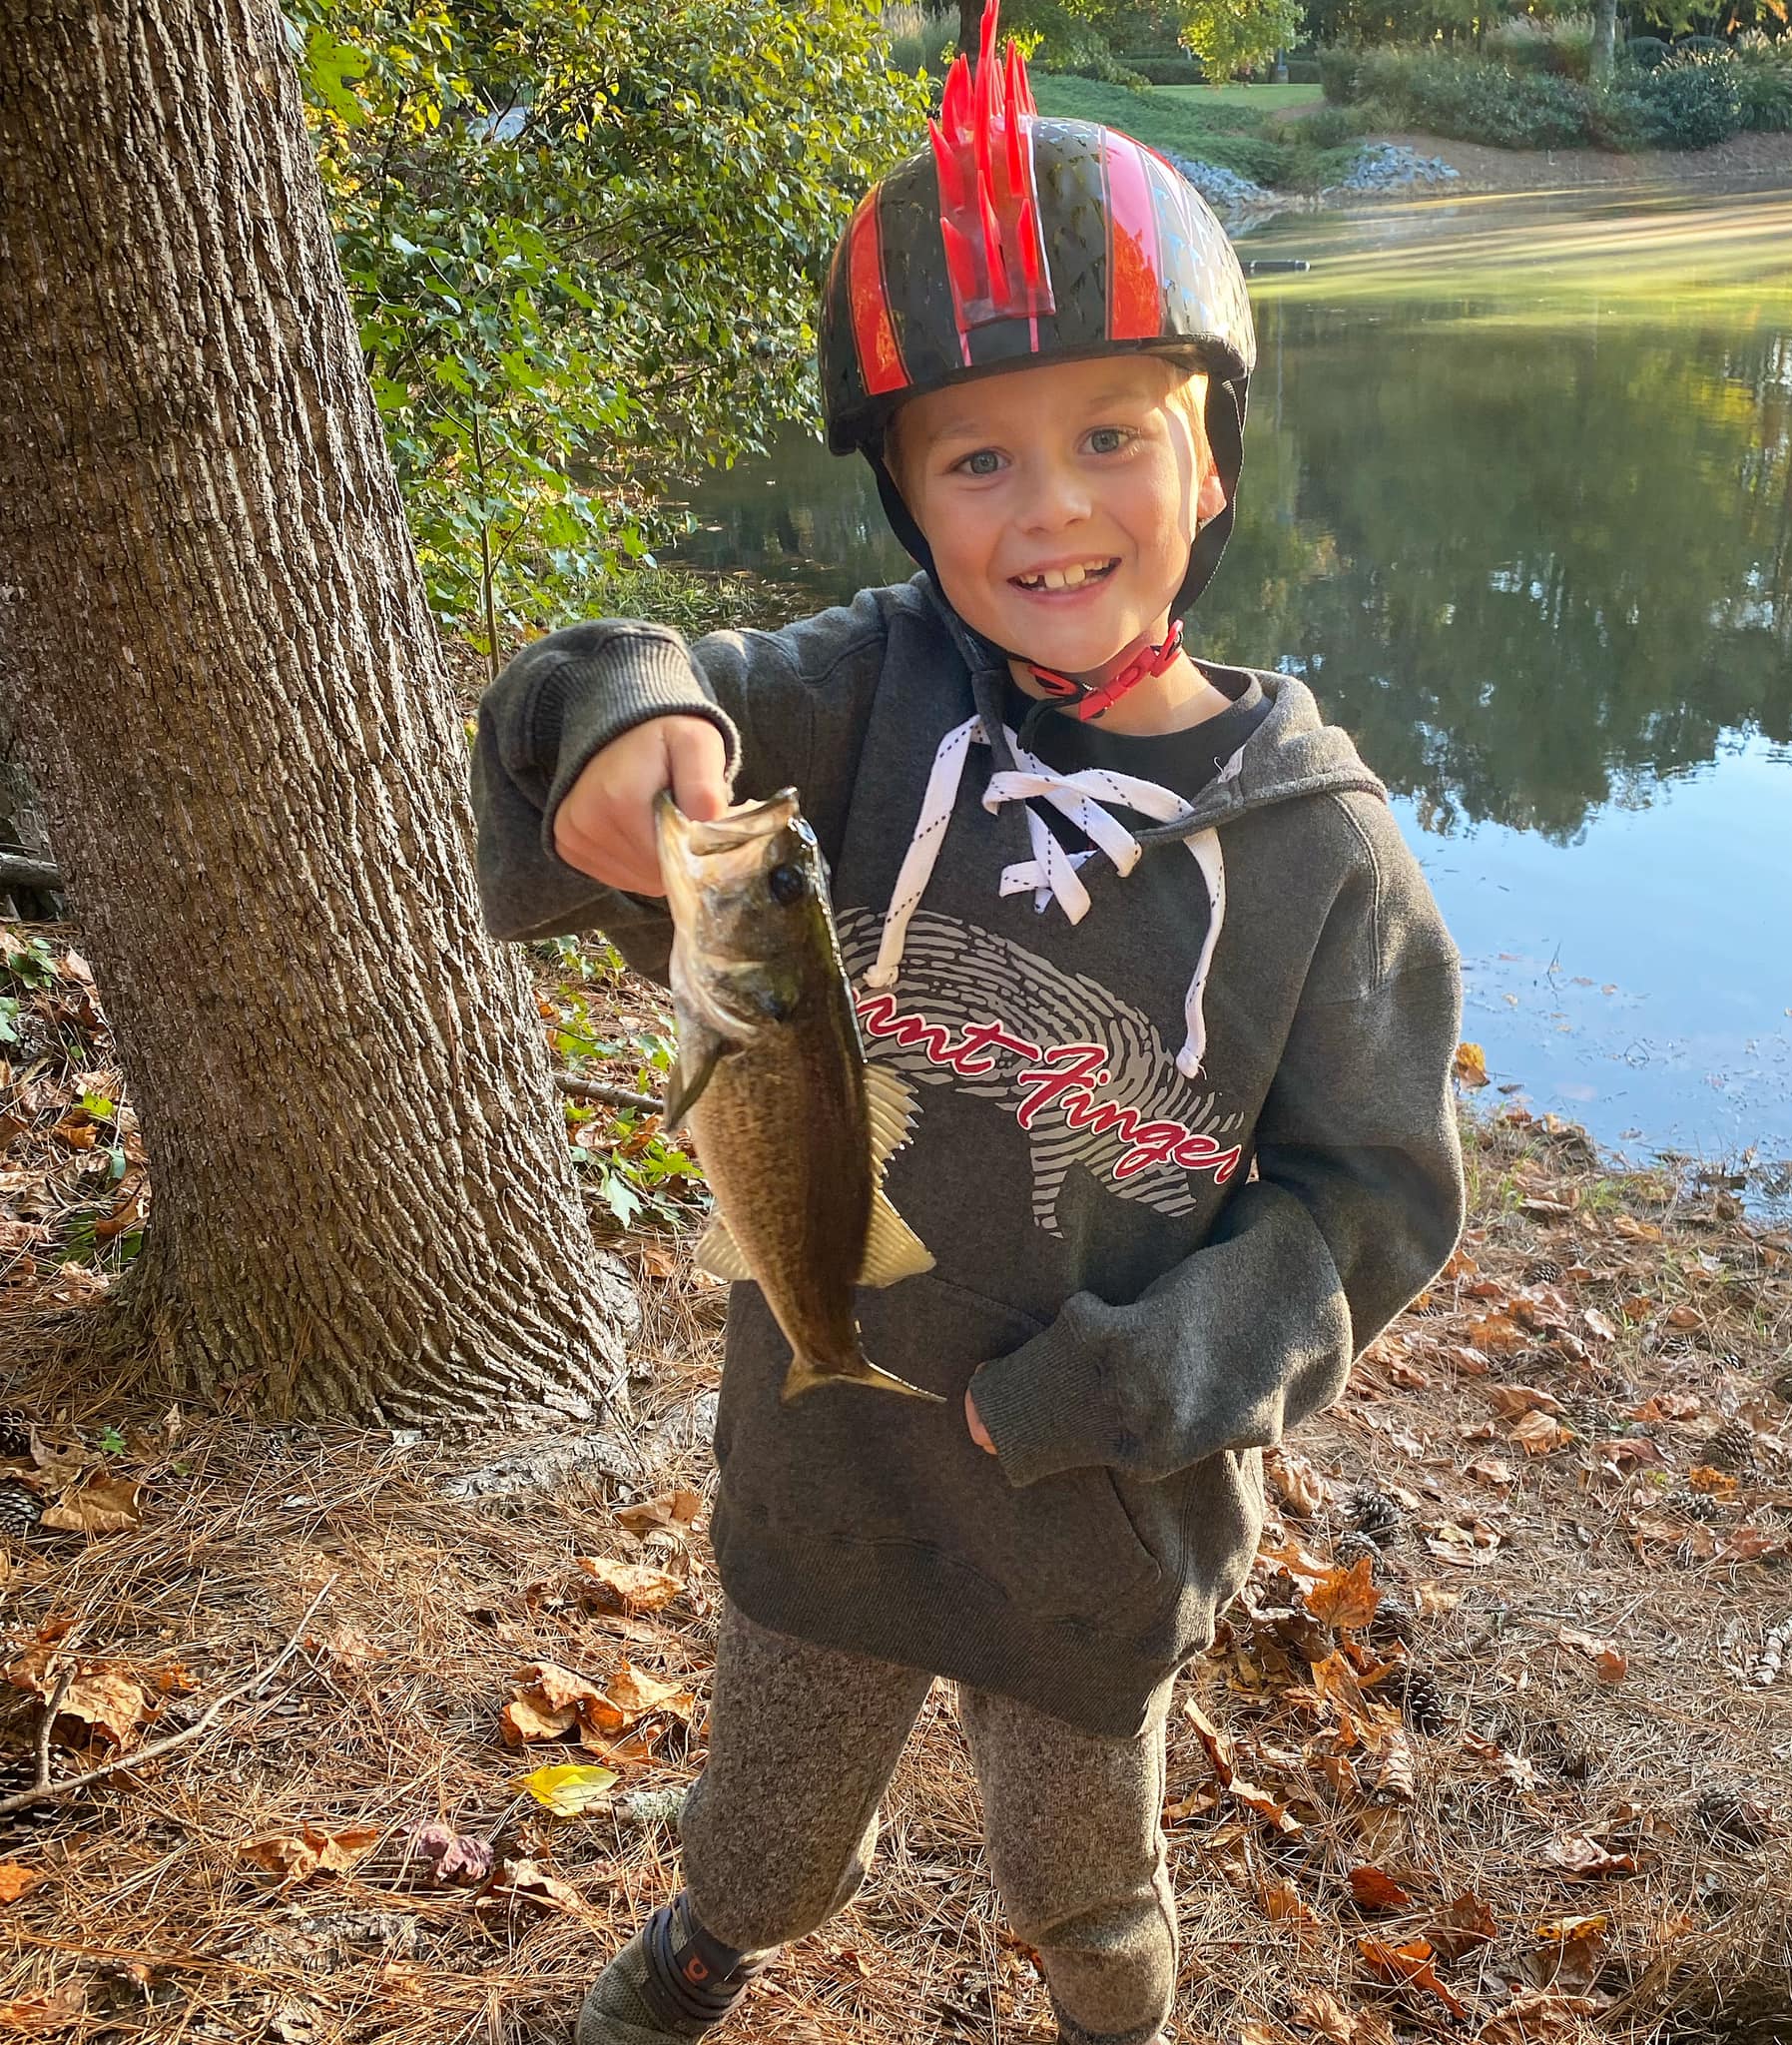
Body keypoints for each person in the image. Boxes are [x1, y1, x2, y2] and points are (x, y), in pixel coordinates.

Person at [468, 12, 1466, 2042]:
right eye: (976, 456)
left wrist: (1139, 1381)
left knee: (1081, 1871)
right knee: (764, 1821)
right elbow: (638, 683)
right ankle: (697, 1958)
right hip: (825, 1462)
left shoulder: (1326, 848)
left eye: (1113, 433)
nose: (1048, 508)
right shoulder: (874, 687)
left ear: (1213, 452)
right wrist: (615, 724)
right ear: (907, 492)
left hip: (1093, 1507)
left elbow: (1366, 1208)